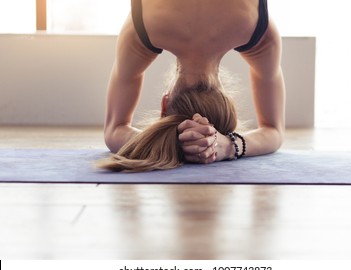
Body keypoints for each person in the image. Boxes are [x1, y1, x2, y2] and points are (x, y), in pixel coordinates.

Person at [99, 0, 285, 172]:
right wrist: (173, 142)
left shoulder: (258, 32)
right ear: (164, 104)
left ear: (228, 101)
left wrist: (228, 145)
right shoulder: (144, 29)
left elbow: (274, 132)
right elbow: (114, 131)